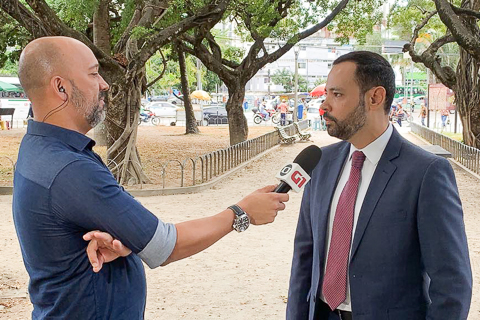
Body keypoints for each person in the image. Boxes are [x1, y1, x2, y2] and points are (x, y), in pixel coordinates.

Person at [12, 36, 289, 319]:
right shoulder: (69, 169)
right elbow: (165, 246)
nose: (104, 84)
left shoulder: (38, 147)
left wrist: (124, 239)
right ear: (61, 87)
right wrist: (241, 213)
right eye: (94, 74)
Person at [287, 51, 472, 320]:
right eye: (326, 94)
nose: (324, 105)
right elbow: (304, 259)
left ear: (375, 97)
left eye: (337, 95)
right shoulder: (320, 162)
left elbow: (452, 283)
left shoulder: (426, 173)